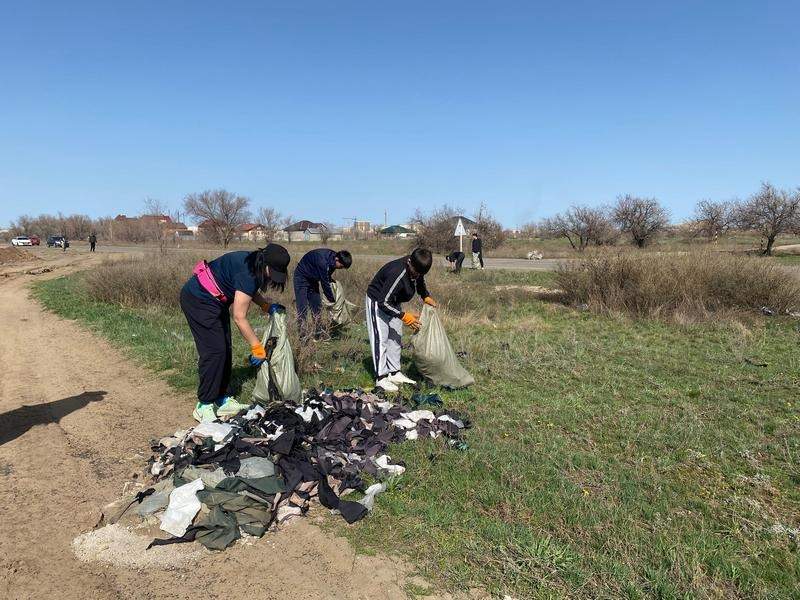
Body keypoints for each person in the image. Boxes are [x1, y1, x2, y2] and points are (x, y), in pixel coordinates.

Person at [180, 244, 291, 422]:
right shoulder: (247, 272)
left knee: (225, 349)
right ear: (265, 263)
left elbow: (248, 290)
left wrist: (265, 306)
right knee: (214, 352)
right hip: (198, 299)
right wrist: (257, 347)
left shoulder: (254, 262)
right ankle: (204, 404)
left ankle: (221, 400)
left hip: (215, 301)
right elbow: (239, 317)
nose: (272, 276)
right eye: (273, 272)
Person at [365, 248, 436, 392]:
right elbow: (383, 302)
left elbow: (419, 280)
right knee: (381, 338)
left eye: (420, 273)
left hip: (393, 301)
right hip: (378, 302)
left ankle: (394, 372)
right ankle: (381, 377)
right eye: (415, 272)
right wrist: (403, 316)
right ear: (410, 262)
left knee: (395, 337)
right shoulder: (398, 273)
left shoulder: (416, 267)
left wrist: (425, 295)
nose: (417, 276)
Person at [293, 248, 352, 338]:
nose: (341, 268)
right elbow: (324, 283)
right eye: (341, 266)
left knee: (317, 306)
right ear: (337, 259)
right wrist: (332, 300)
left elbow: (327, 276)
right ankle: (302, 335)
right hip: (301, 277)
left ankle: (318, 332)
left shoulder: (333, 259)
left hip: (313, 279)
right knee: (302, 308)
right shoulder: (323, 261)